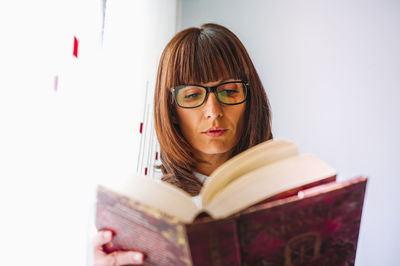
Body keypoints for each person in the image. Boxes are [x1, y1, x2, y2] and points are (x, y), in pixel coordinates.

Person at [93, 23, 273, 266]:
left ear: (250, 100)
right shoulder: (146, 216)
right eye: (192, 95)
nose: (213, 111)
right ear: (171, 110)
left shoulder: (283, 193)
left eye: (230, 91)